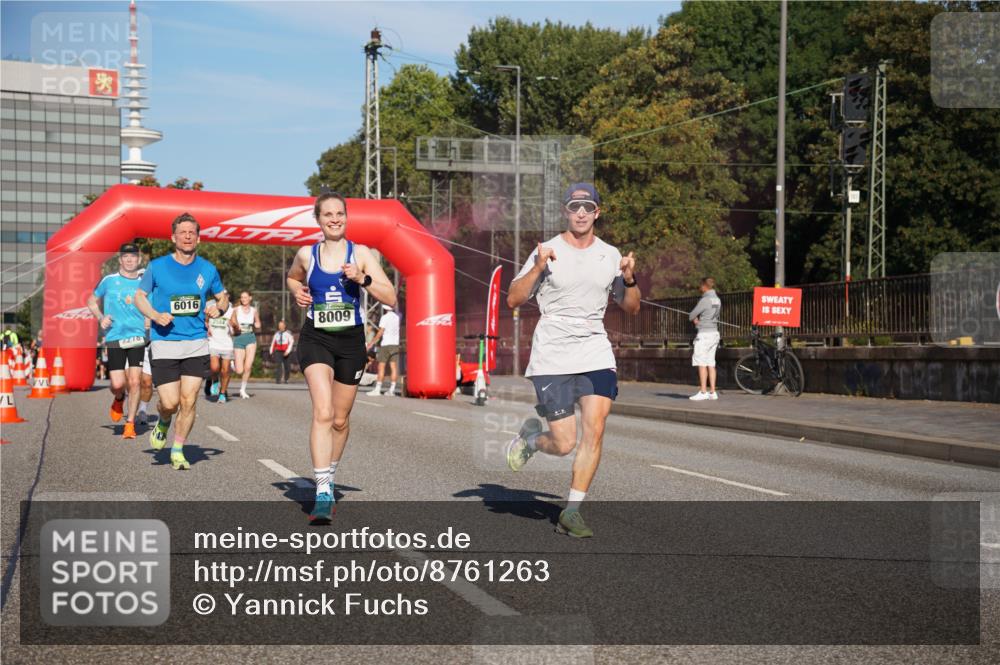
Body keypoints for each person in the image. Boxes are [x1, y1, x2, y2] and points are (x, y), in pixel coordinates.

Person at [505, 183, 640, 538]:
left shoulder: (610, 254)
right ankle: (532, 440)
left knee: (594, 430)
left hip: (594, 345)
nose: (581, 212)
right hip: (553, 351)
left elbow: (631, 306)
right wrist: (537, 268)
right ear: (565, 211)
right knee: (564, 444)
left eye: (588, 206)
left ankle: (572, 511)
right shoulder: (546, 250)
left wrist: (628, 277)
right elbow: (514, 300)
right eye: (574, 206)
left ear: (598, 212)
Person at [286, 192, 395, 523]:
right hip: (315, 338)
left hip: (351, 343)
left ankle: (329, 475)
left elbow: (390, 296)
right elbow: (292, 276)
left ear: (346, 218)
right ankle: (322, 491)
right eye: (327, 214)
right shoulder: (307, 253)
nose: (334, 219)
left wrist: (361, 279)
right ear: (317, 219)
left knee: (340, 419)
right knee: (322, 412)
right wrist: (296, 291)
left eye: (339, 214)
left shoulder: (360, 254)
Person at [134, 212, 228, 470]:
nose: (187, 236)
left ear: (198, 238)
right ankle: (163, 421)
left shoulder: (208, 269)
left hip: (196, 342)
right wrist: (154, 315)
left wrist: (218, 309)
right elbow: (140, 296)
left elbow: (223, 297)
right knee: (170, 403)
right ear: (173, 237)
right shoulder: (158, 266)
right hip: (164, 341)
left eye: (192, 232)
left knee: (189, 400)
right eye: (182, 232)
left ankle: (178, 448)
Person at [87, 243, 148, 439]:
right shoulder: (109, 280)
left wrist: (149, 318)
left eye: (133, 257)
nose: (129, 260)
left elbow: (151, 304)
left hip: (137, 336)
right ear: (120, 259)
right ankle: (119, 397)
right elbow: (91, 301)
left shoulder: (145, 282)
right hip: (115, 336)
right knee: (117, 383)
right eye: (126, 257)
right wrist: (100, 317)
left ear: (138, 259)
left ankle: (129, 424)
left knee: (135, 381)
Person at [689, 277, 722, 401]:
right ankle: (713, 392)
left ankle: (703, 391)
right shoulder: (717, 299)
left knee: (701, 363)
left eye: (700, 286)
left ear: (704, 286)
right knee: (711, 363)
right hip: (714, 333)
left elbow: (692, 315)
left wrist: (696, 321)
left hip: (704, 334)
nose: (699, 288)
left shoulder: (705, 299)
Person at [230, 291, 261, 399]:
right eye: (242, 297)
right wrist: (234, 328)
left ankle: (242, 389)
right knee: (240, 370)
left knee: (248, 366)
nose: (243, 299)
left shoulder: (254, 310)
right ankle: (232, 364)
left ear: (250, 298)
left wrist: (257, 324)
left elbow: (258, 322)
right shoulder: (236, 310)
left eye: (245, 297)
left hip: (250, 338)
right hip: (239, 339)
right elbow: (230, 322)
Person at [366, 304, 400, 396]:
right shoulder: (397, 317)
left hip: (386, 344)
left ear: (384, 309)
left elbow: (381, 332)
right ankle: (392, 390)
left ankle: (377, 389)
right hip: (395, 344)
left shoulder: (384, 317)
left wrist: (371, 343)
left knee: (381, 367)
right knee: (394, 367)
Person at [206, 297, 235, 402]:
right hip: (213, 342)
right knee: (214, 367)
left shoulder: (231, 309)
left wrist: (233, 325)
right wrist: (207, 327)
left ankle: (222, 393)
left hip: (227, 344)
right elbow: (206, 320)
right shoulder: (209, 306)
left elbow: (235, 326)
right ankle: (215, 380)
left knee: (226, 370)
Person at [269, 320, 295, 384]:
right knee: (278, 365)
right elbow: (273, 343)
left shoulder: (288, 333)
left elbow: (291, 342)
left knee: (287, 367)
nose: (280, 327)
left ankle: (286, 379)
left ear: (284, 326)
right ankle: (278, 380)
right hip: (278, 351)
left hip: (286, 351)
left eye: (281, 325)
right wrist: (271, 351)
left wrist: (288, 351)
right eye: (279, 325)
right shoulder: (276, 334)